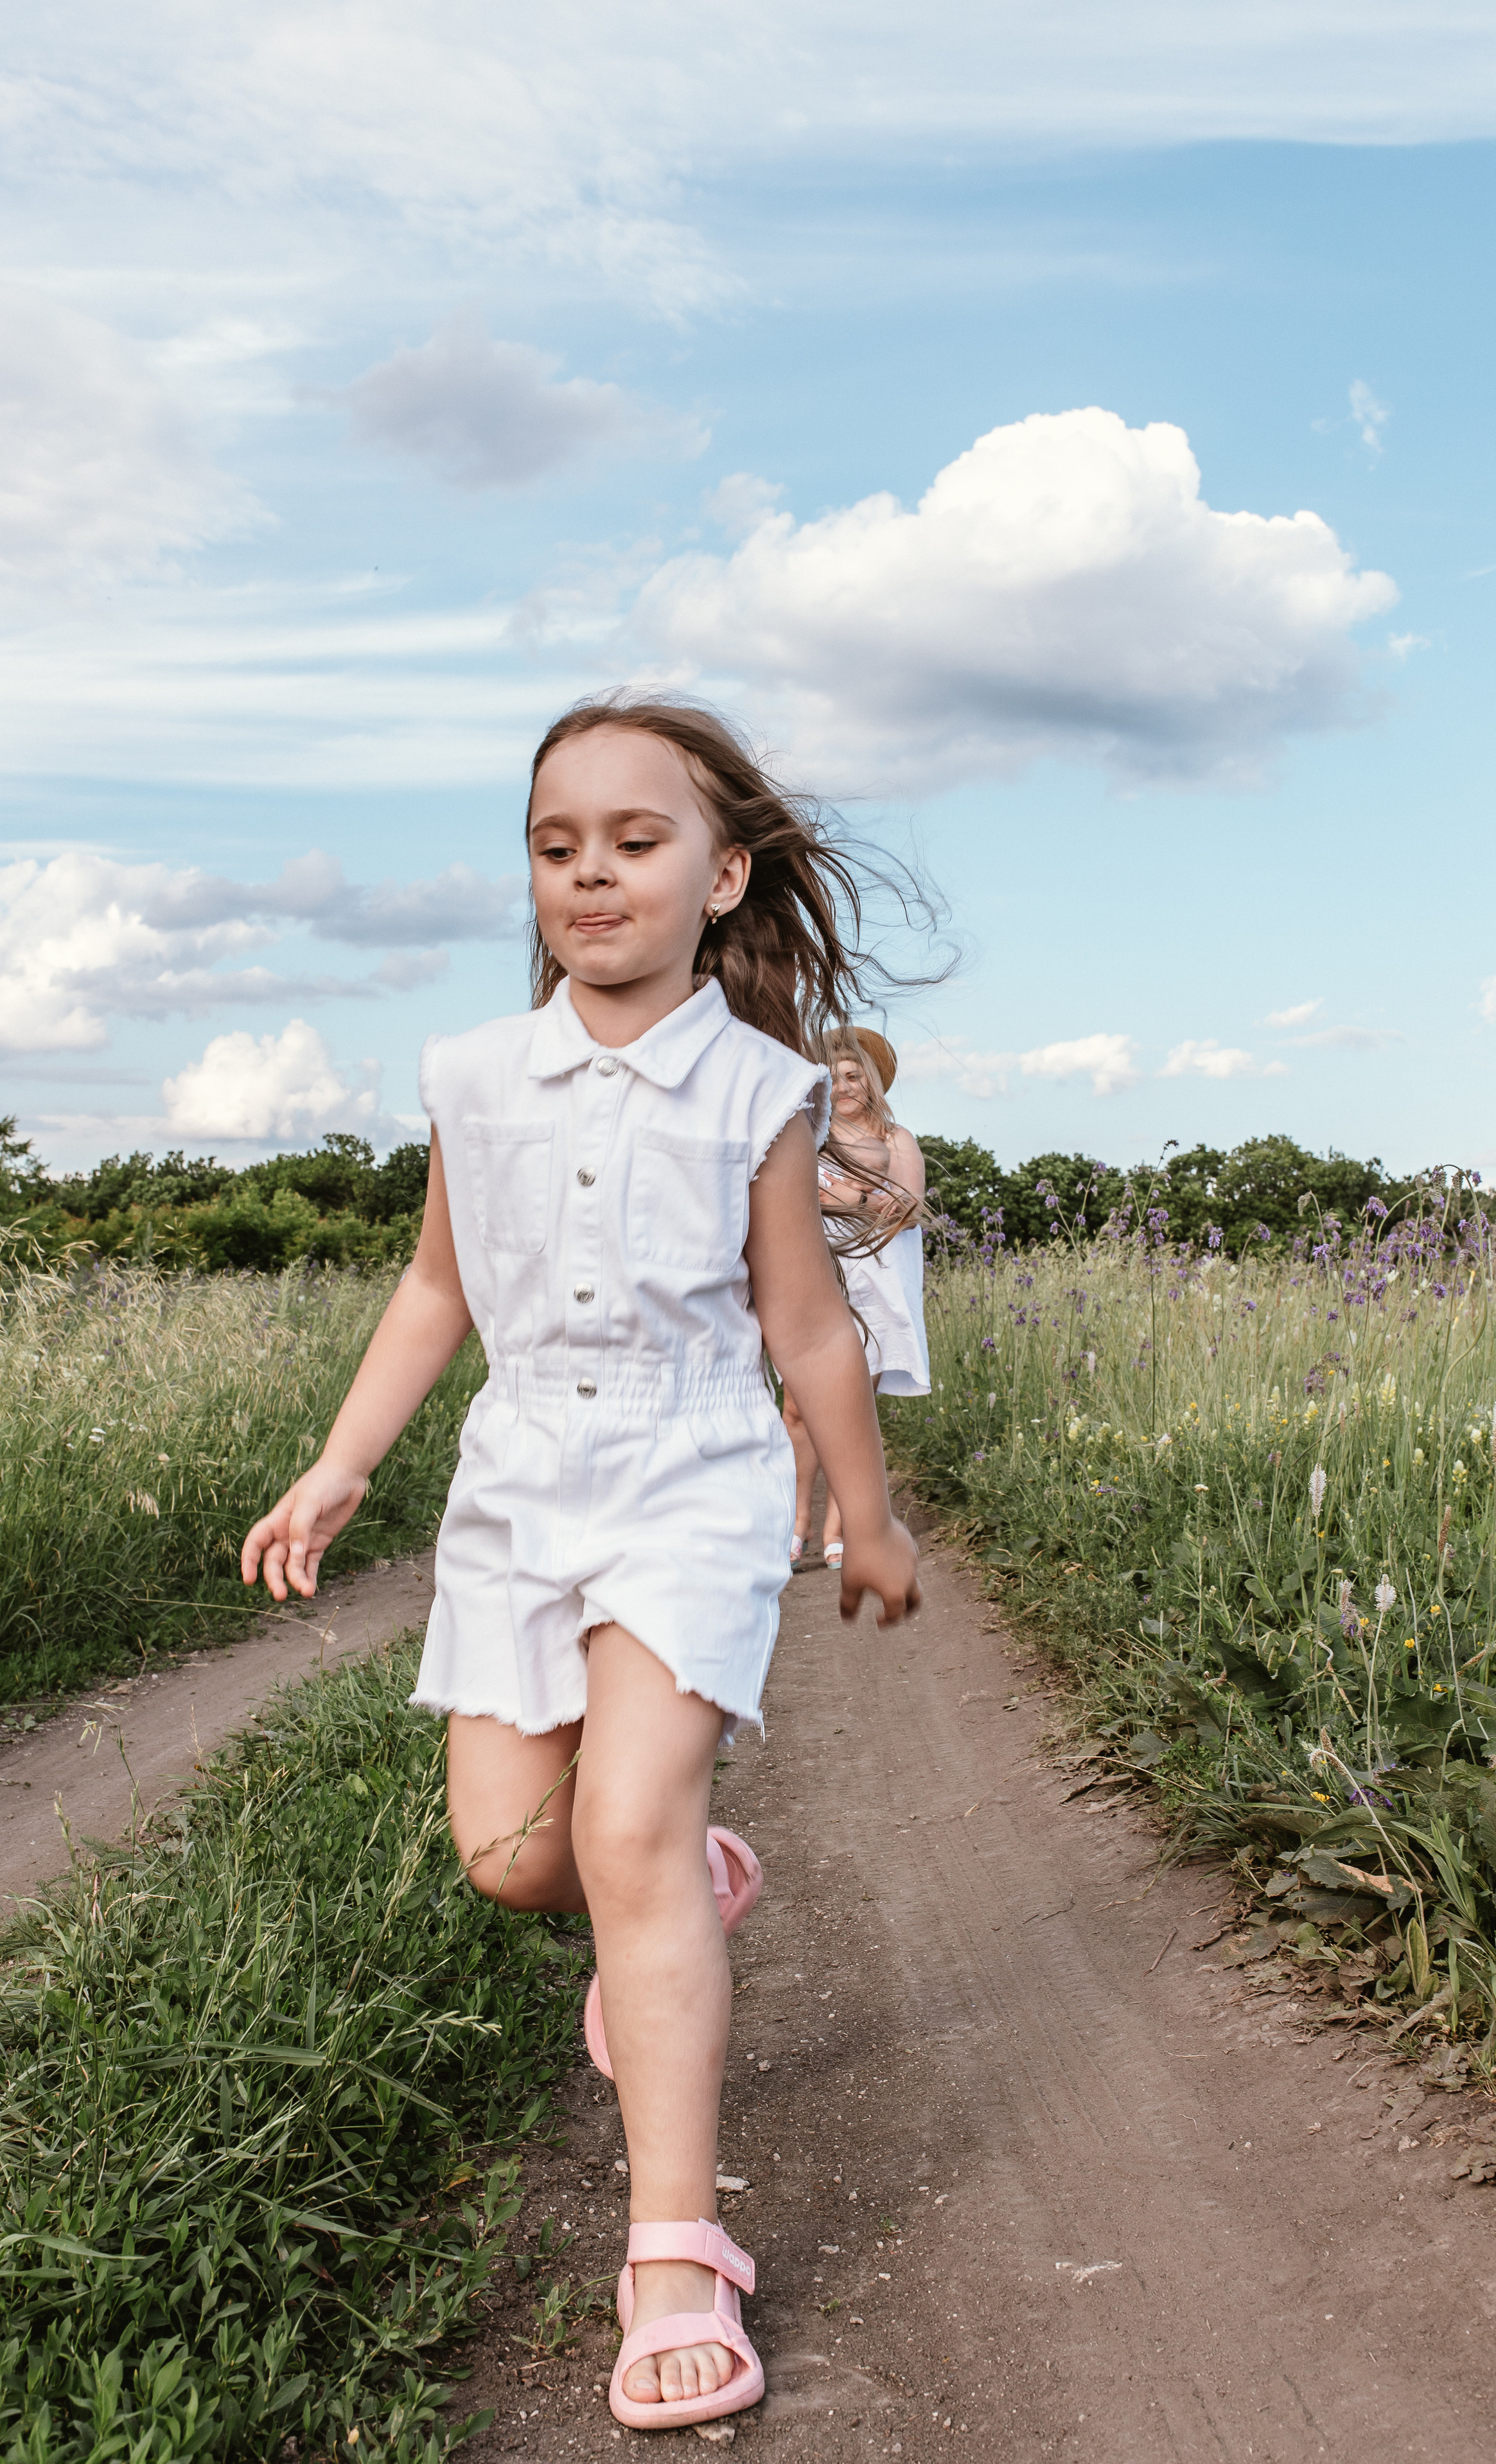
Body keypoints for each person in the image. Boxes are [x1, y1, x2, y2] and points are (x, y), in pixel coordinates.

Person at [240, 696, 921, 2434]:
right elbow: (434, 1292)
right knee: (514, 1855)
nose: (592, 876)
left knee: (619, 1827)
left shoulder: (762, 1090)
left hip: (693, 1480)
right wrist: (338, 1468)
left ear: (723, 875)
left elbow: (810, 1324)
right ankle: (681, 1885)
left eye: (635, 842)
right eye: (559, 849)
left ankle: (677, 2252)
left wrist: (867, 1508)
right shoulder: (473, 1076)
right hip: (519, 1486)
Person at [784, 1030, 929, 1570]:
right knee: (797, 1405)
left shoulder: (897, 1139)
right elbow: (792, 1199)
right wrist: (865, 1197)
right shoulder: (806, 1136)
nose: (845, 1085)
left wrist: (847, 1196)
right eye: (835, 1076)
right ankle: (793, 1519)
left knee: (852, 1406)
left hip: (876, 1285)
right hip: (814, 1275)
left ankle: (836, 1527)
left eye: (854, 1074)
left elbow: (908, 1207)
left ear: (871, 1079)